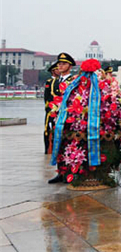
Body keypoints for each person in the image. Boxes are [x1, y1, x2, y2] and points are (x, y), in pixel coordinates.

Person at [46, 53, 76, 183]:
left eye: (63, 63)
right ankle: (60, 172)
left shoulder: (74, 81)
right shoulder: (54, 82)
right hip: (56, 117)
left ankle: (70, 172)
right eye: (59, 63)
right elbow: (49, 100)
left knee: (69, 145)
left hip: (69, 118)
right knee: (58, 144)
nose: (60, 66)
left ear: (70, 66)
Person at [43, 62, 61, 155]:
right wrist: (49, 107)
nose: (59, 70)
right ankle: (47, 148)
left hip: (59, 108)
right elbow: (47, 97)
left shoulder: (61, 81)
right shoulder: (49, 82)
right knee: (48, 128)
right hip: (51, 108)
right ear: (53, 71)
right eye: (57, 69)